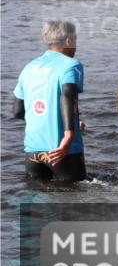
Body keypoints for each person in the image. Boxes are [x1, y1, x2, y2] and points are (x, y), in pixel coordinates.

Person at [12, 21, 87, 181]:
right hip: (63, 151)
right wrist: (68, 135)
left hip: (33, 152)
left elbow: (18, 111)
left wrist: (71, 120)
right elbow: (68, 95)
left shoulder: (29, 67)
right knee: (74, 200)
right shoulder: (71, 65)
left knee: (38, 200)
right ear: (68, 41)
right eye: (75, 40)